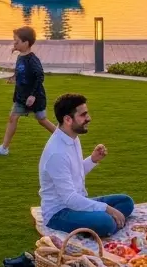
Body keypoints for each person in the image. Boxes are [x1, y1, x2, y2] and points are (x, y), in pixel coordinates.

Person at [39, 93, 134, 238]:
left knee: (126, 202)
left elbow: (75, 173)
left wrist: (92, 160)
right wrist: (107, 209)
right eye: (83, 115)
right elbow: (69, 198)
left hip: (77, 202)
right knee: (106, 222)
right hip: (59, 213)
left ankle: (98, 226)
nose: (89, 118)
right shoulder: (56, 153)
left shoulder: (72, 138)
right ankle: (105, 226)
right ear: (68, 119)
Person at [0, 26, 56, 156]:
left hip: (35, 98)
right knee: (13, 117)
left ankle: (64, 137)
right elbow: (21, 71)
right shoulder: (20, 56)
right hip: (21, 97)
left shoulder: (32, 60)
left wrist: (33, 95)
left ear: (26, 43)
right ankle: (4, 148)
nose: (14, 43)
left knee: (42, 120)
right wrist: (14, 78)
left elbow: (40, 76)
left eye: (17, 41)